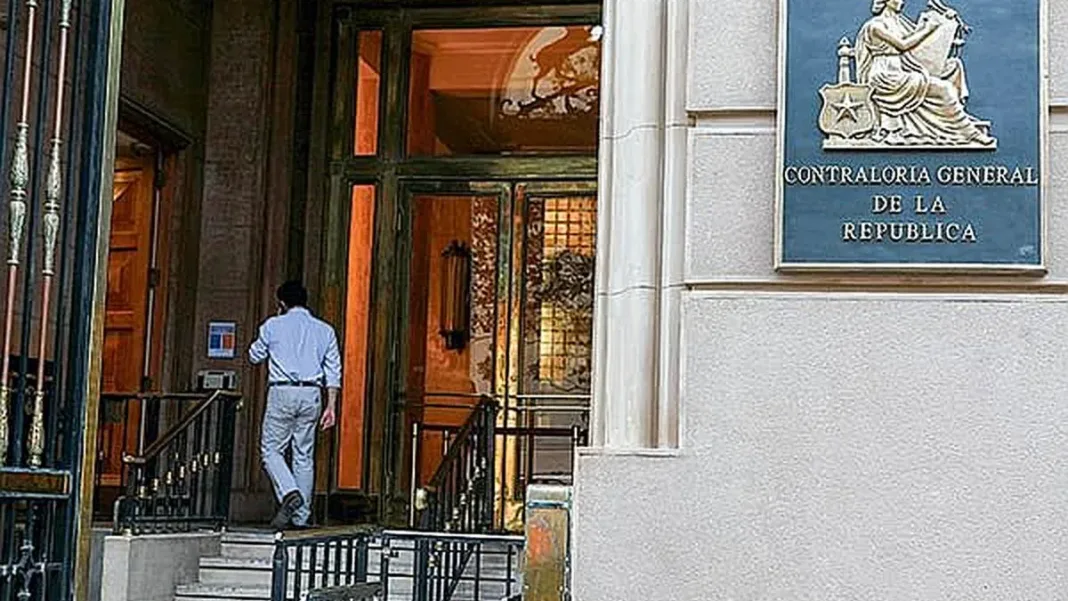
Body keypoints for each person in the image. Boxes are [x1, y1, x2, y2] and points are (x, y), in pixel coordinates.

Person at [248, 280, 341, 529]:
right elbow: (333, 370)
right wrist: (331, 406)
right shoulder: (325, 330)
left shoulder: (273, 325)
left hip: (282, 391)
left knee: (271, 450)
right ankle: (301, 516)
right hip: (312, 393)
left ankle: (289, 492)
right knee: (304, 455)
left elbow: (254, 355)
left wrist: (272, 330)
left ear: (281, 303)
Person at [854, 0, 994, 146]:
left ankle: (962, 128)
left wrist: (945, 18)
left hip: (901, 71)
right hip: (885, 76)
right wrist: (928, 30)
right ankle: (970, 133)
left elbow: (919, 42)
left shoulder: (899, 22)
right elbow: (903, 45)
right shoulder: (875, 26)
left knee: (952, 69)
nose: (902, 2)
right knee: (944, 88)